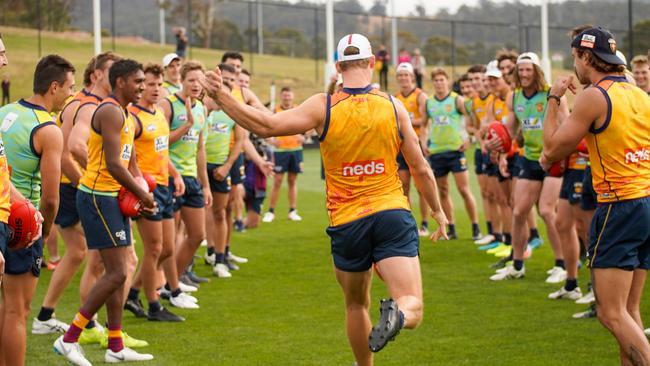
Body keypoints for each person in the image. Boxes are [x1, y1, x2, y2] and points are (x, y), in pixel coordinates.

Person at [201, 32, 448, 366]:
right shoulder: (394, 106)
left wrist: (221, 95)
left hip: (347, 222)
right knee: (410, 300)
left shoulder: (324, 106)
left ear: (337, 67)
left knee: (356, 305)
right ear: (372, 63)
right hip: (391, 212)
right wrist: (437, 211)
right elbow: (420, 168)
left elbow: (267, 124)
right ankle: (399, 316)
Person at [541, 26, 650, 365]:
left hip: (620, 207)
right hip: (646, 201)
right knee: (629, 309)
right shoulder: (639, 94)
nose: (574, 65)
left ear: (586, 57)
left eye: (575, 57)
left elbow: (552, 148)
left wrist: (554, 98)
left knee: (609, 313)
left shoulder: (594, 95)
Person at [54, 59, 155, 365]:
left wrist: (141, 188)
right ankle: (68, 338)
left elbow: (128, 158)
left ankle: (115, 346)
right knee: (117, 273)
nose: (142, 87)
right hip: (98, 197)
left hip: (111, 196)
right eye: (138, 82)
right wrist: (142, 194)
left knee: (118, 269)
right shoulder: (110, 110)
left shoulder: (123, 112)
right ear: (120, 81)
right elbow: (113, 163)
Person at [0, 54, 71, 366]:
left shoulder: (5, 110)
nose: (71, 93)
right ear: (54, 87)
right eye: (70, 87)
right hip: (22, 223)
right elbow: (52, 199)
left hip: (2, 212)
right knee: (17, 311)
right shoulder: (49, 129)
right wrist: (42, 233)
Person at [487, 52, 569, 281]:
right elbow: (511, 132)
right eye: (520, 70)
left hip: (554, 159)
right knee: (519, 211)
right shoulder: (514, 97)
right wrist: (495, 144)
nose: (523, 73)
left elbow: (566, 125)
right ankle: (518, 264)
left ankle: (562, 264)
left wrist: (553, 151)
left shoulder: (552, 93)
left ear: (537, 71)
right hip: (530, 158)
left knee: (545, 211)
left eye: (528, 69)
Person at [33, 56, 97, 335]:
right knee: (105, 254)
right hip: (66, 188)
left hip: (66, 188)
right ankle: (89, 323)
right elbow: (65, 156)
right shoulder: (76, 106)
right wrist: (86, 185)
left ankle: (46, 315)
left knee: (81, 251)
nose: (71, 92)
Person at [125, 63, 188, 321]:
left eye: (159, 84)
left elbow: (161, 151)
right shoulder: (132, 117)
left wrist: (175, 174)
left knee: (167, 250)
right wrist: (138, 183)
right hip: (146, 190)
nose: (154, 89)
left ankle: (133, 292)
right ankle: (153, 305)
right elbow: (127, 156)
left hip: (164, 186)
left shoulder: (159, 115)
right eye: (150, 84)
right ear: (140, 86)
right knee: (154, 249)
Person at [161, 60, 212, 294]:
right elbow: (160, 144)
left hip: (191, 178)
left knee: (197, 235)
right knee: (168, 243)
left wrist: (206, 185)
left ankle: (174, 281)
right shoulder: (169, 104)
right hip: (170, 177)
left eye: (199, 80)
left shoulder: (201, 108)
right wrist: (186, 125)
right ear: (181, 80)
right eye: (191, 80)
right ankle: (167, 287)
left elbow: (200, 149)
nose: (196, 84)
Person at [420, 68, 481, 240]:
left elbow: (472, 117)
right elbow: (424, 125)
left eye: (441, 79)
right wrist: (424, 143)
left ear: (447, 81)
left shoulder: (457, 100)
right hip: (437, 152)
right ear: (433, 83)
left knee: (464, 189)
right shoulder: (429, 103)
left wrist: (470, 138)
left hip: (456, 151)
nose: (439, 83)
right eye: (436, 80)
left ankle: (475, 227)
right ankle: (451, 226)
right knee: (443, 191)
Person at [202, 63, 245, 278]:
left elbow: (240, 141)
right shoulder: (200, 108)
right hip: (199, 168)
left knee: (220, 212)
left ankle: (220, 259)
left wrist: (227, 166)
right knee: (195, 216)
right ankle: (203, 255)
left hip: (220, 167)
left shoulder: (232, 111)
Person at [393, 63, 429, 236]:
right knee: (404, 185)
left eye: (406, 75)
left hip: (416, 144)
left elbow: (424, 120)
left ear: (412, 77)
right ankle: (408, 223)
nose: (403, 78)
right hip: (400, 146)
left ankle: (425, 223)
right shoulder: (395, 97)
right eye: (400, 75)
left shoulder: (420, 96)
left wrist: (404, 122)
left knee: (422, 187)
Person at [466, 64, 498, 245]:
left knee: (497, 195)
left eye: (478, 79)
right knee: (486, 193)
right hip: (481, 150)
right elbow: (471, 125)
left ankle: (502, 235)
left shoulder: (494, 98)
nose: (475, 83)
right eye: (472, 80)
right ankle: (492, 232)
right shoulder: (473, 102)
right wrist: (477, 133)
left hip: (494, 150)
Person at [263, 86, 304, 223]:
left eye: (289, 95)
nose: (287, 98)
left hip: (296, 150)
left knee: (292, 181)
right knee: (277, 181)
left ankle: (292, 210)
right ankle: (270, 211)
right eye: (285, 95)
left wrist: (305, 137)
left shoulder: (299, 110)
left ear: (293, 96)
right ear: (281, 96)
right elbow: (266, 127)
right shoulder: (275, 111)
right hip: (280, 152)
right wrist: (271, 141)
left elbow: (310, 124)